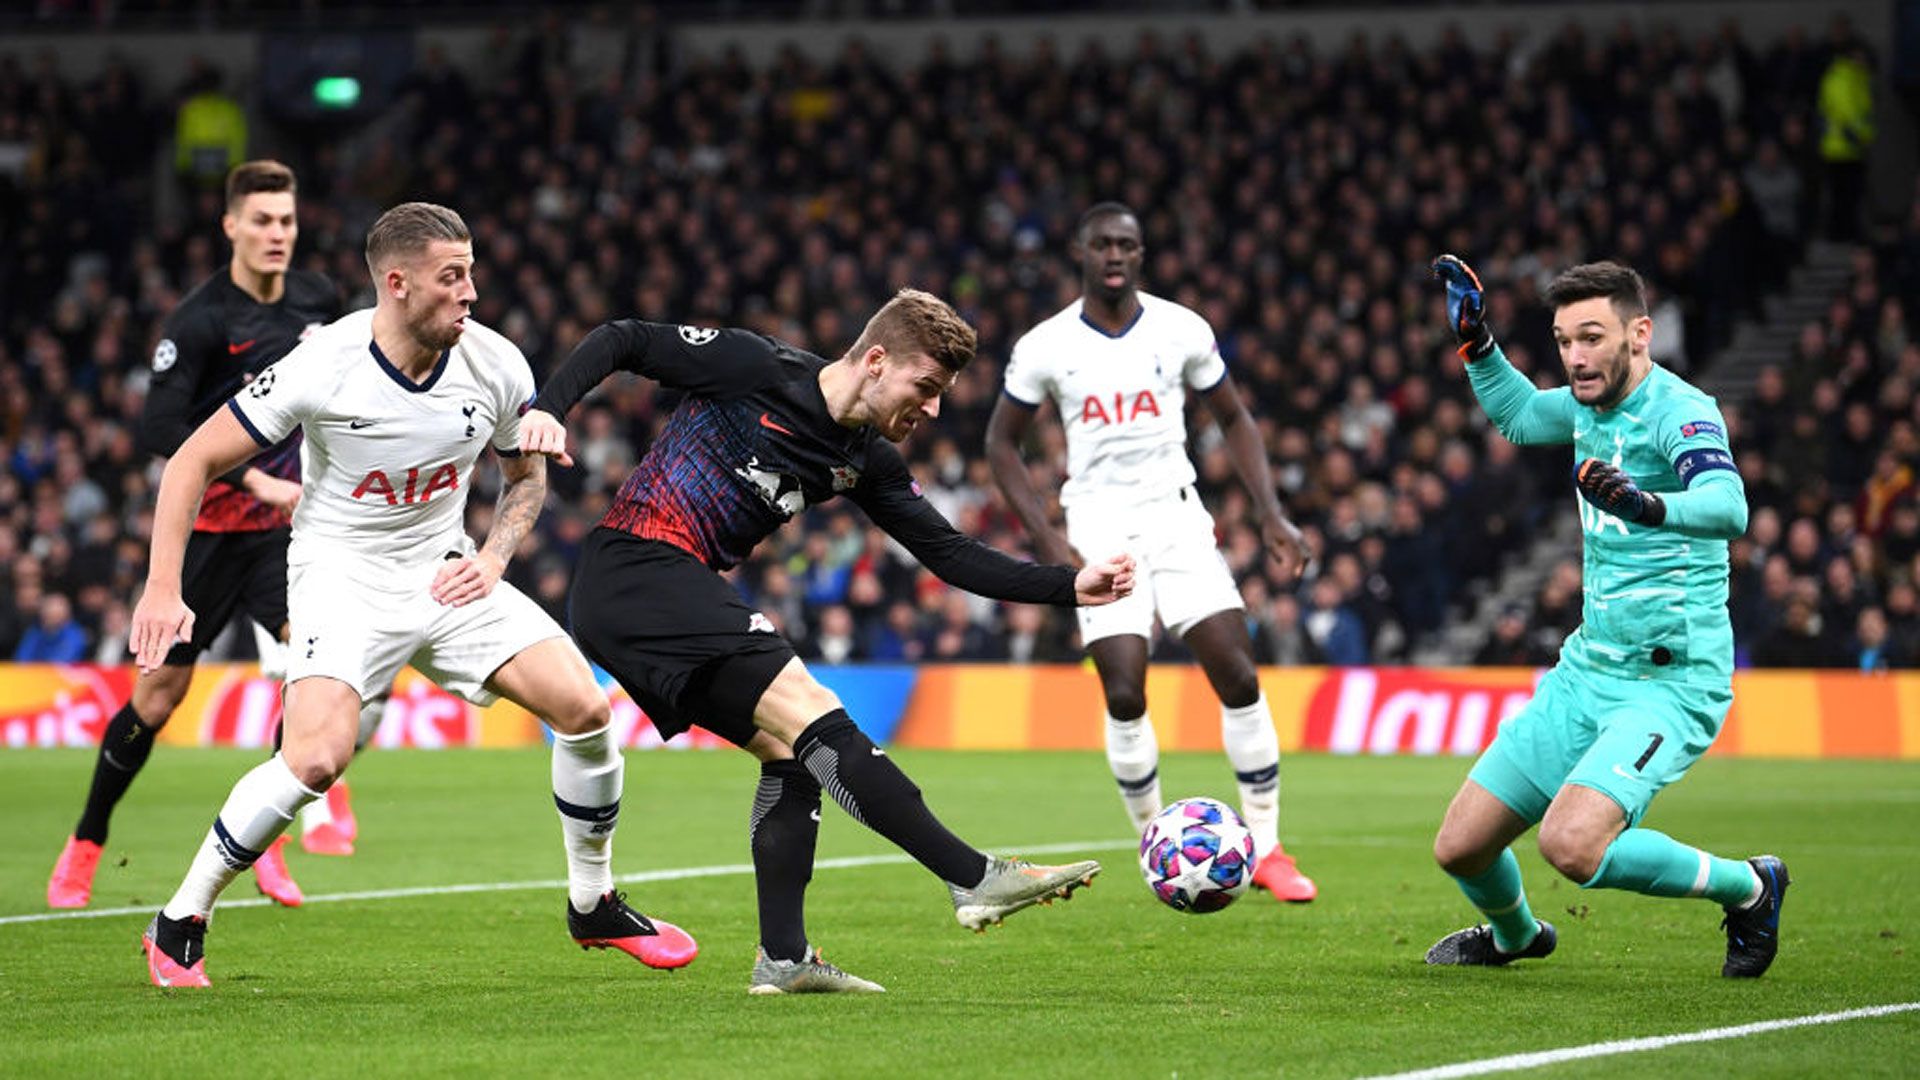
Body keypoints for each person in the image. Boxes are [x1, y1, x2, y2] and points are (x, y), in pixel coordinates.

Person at [129, 202, 696, 988]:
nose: (470, 292)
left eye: (471, 273)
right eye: (450, 277)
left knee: (586, 709)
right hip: (341, 576)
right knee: (315, 760)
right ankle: (181, 918)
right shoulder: (323, 364)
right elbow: (192, 459)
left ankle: (592, 903)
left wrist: (493, 558)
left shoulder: (495, 362)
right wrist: (163, 588)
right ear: (396, 284)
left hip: (446, 571)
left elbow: (524, 478)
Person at [520, 288, 1136, 995]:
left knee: (790, 752)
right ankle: (972, 875)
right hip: (636, 566)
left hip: (657, 593)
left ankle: (783, 958)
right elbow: (623, 336)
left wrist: (1071, 585)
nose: (935, 409)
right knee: (812, 707)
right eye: (925, 386)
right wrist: (548, 408)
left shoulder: (867, 460)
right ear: (875, 361)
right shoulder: (755, 367)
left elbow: (950, 555)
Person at [1425, 254, 1787, 977]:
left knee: (1571, 845)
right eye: (1564, 341)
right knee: (1460, 848)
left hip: (1669, 680)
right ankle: (1516, 936)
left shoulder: (1680, 411)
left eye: (1591, 337)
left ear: (1639, 334)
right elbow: (1520, 416)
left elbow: (1728, 507)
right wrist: (1478, 345)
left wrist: (1646, 505)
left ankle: (1750, 887)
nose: (1576, 357)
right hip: (1589, 669)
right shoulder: (1586, 408)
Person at [47, 160, 362, 911]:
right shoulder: (200, 320)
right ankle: (86, 840)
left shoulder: (319, 299)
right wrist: (253, 480)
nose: (277, 233)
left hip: (285, 535)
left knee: (311, 667)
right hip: (210, 533)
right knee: (156, 700)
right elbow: (159, 427)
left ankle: (268, 843)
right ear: (230, 226)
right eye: (262, 221)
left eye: (286, 220)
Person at [983, 203, 1317, 903]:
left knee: (1238, 675)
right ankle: (1154, 845)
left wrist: (1270, 512)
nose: (1115, 255)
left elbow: (1233, 417)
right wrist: (1047, 537)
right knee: (1125, 691)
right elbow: (1000, 442)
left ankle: (1268, 847)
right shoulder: (1045, 345)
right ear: (1081, 252)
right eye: (1103, 244)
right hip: (1099, 525)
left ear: (1141, 254)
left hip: (1177, 516)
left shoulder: (1181, 328)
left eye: (1127, 245)